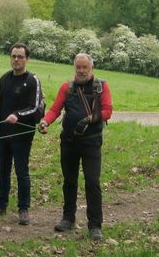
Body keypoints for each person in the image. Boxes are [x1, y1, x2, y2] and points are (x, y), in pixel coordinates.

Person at [39, 52, 113, 240]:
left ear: (91, 68)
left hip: (91, 142)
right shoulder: (67, 87)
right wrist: (45, 122)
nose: (81, 71)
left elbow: (107, 111)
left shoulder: (101, 87)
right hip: (69, 142)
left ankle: (95, 225)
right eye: (78, 67)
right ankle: (68, 218)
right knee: (69, 181)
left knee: (92, 183)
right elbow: (55, 109)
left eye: (84, 67)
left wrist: (89, 119)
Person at [0, 42, 44, 225]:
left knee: (21, 172)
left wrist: (17, 115)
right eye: (14, 56)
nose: (16, 60)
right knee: (3, 171)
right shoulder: (4, 79)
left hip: (22, 136)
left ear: (27, 59)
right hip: (3, 134)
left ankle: (23, 209)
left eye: (20, 57)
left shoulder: (32, 80)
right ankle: (1, 204)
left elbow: (35, 108)